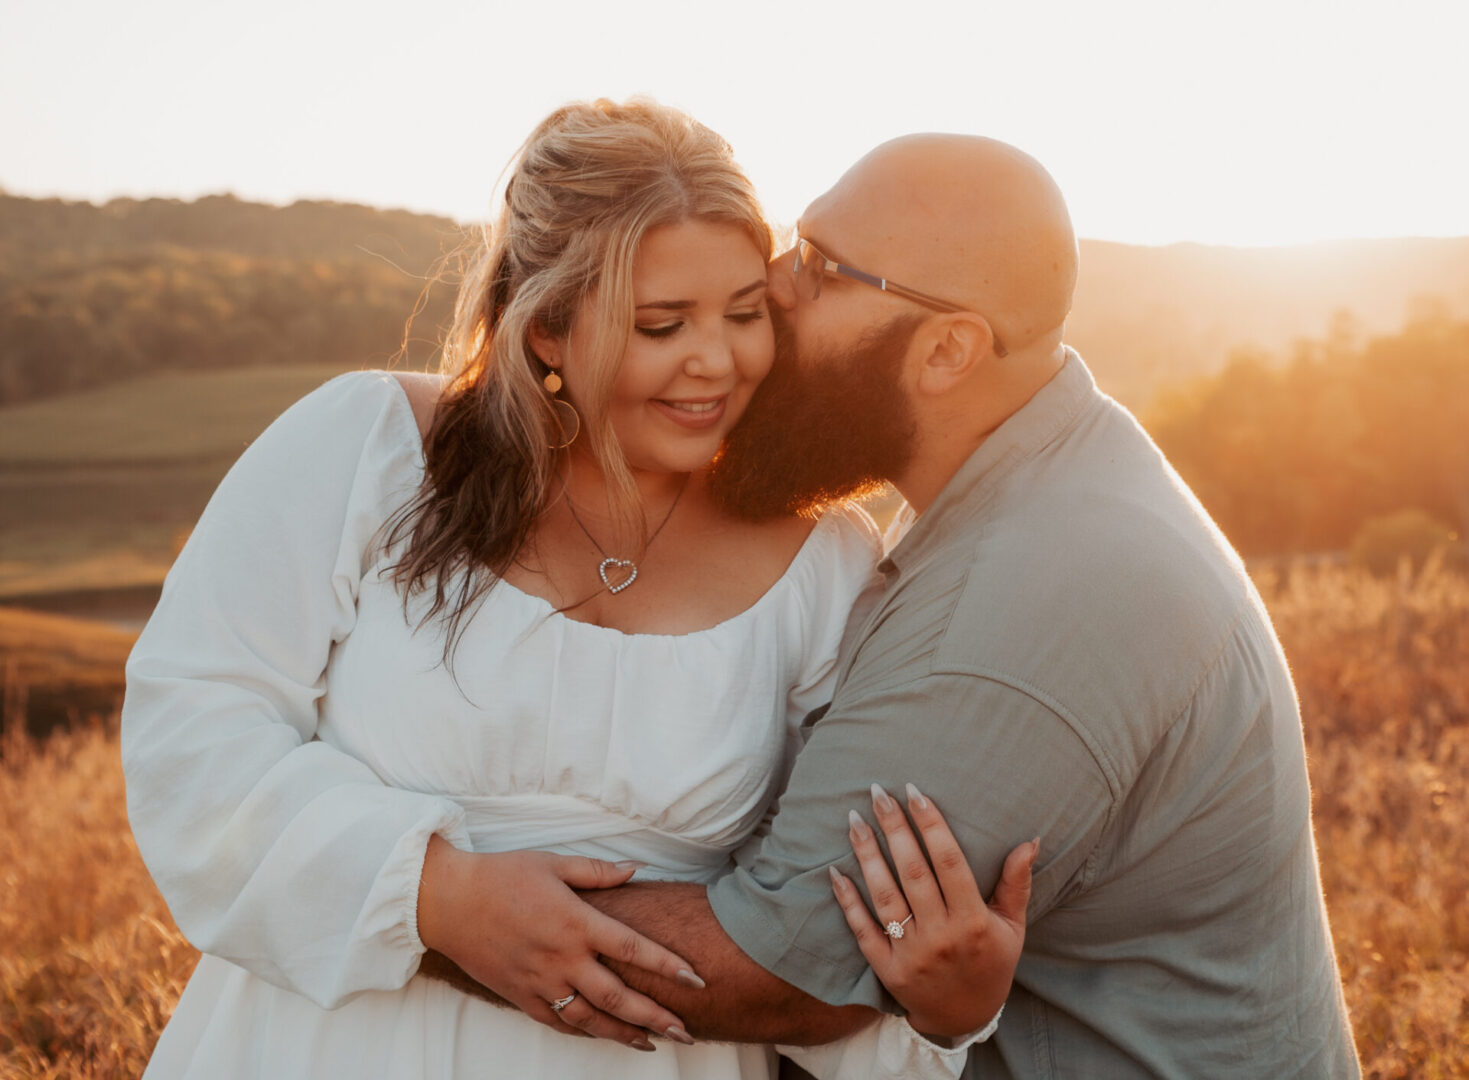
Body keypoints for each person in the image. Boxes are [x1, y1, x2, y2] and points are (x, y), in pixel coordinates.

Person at [120, 99, 1033, 1080]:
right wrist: (435, 895)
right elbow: (194, 731)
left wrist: (941, 1015)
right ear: (546, 328)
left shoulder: (827, 564)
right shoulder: (365, 448)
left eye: (742, 313)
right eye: (659, 324)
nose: (717, 362)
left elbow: (832, 903)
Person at [474, 135, 1362, 1077]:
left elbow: (780, 970)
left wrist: (432, 910)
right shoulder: (1069, 471)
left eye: (819, 269)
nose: (768, 284)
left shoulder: (1026, 597)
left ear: (945, 349)